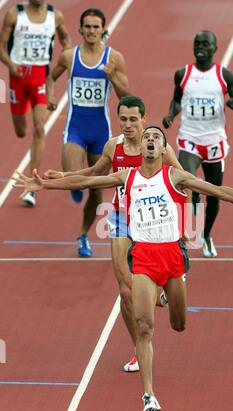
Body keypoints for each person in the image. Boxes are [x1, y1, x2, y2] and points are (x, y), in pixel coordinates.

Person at [13, 126, 233, 411]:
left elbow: (219, 191)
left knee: (179, 324)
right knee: (145, 327)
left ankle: (170, 295)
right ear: (143, 147)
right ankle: (149, 395)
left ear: (162, 150)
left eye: (156, 138)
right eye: (147, 136)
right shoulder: (127, 177)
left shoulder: (175, 176)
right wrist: (46, 186)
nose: (149, 140)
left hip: (172, 256)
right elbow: (89, 182)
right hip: (143, 256)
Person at [44, 96, 183, 373]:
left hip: (149, 221)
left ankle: (161, 291)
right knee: (124, 289)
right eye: (123, 119)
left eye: (133, 119)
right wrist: (61, 176)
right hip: (120, 217)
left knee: (148, 283)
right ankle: (138, 350)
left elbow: (181, 180)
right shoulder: (113, 146)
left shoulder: (157, 146)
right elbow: (94, 174)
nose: (128, 125)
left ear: (144, 119)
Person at [46, 8, 130, 257]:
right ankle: (74, 184)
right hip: (75, 129)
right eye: (88, 26)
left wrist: (113, 75)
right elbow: (51, 78)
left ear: (102, 30)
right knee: (74, 179)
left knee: (96, 191)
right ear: (80, 30)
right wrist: (51, 96)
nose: (92, 31)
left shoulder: (114, 58)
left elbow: (127, 96)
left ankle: (83, 234)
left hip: (100, 133)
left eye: (96, 27)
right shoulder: (69, 57)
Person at [162, 30, 233, 258]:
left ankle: (206, 235)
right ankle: (185, 227)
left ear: (215, 48)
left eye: (206, 44)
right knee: (185, 183)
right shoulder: (182, 74)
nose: (201, 47)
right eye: (197, 43)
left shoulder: (224, 75)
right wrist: (171, 114)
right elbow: (177, 100)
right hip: (189, 138)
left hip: (214, 141)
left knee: (215, 194)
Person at [0, 0, 72, 207]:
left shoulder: (55, 16)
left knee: (40, 128)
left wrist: (67, 49)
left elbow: (65, 38)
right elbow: (1, 46)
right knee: (22, 131)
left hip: (41, 77)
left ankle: (32, 183)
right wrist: (10, 65)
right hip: (18, 77)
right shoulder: (15, 14)